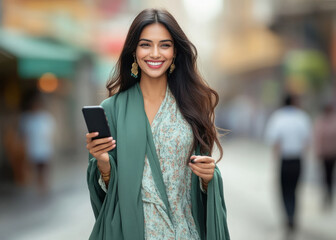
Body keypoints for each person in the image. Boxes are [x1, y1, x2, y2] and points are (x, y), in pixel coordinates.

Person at [85, 8, 229, 240]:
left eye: (164, 45)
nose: (155, 53)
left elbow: (201, 185)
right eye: (145, 45)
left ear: (175, 52)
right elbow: (107, 196)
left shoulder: (191, 107)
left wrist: (208, 177)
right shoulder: (112, 109)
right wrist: (102, 163)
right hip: (133, 233)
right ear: (134, 51)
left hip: (183, 232)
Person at [265, 95, 312, 233]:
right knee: (294, 189)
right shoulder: (302, 117)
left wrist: (275, 159)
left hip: (285, 160)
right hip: (297, 159)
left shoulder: (278, 117)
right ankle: (293, 216)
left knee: (284, 190)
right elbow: (307, 140)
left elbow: (274, 141)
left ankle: (288, 216)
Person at [20, 91, 55, 195]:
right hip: (33, 147)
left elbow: (50, 132)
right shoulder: (27, 118)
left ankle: (44, 185)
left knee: (44, 167)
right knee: (36, 168)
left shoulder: (45, 117)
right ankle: (39, 185)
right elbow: (24, 134)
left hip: (44, 147)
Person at [314, 103, 336, 208]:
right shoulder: (321, 121)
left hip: (332, 154)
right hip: (324, 154)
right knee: (324, 175)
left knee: (330, 175)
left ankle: (329, 195)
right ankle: (326, 195)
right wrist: (318, 152)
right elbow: (317, 138)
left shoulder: (333, 121)